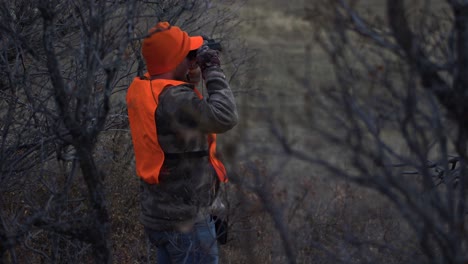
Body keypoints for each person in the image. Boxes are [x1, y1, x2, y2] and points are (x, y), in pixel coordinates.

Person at [126, 21, 238, 264]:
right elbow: (225, 116)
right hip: (185, 224)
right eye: (188, 55)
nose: (193, 60)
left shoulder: (145, 88)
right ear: (172, 62)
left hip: (161, 215)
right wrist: (212, 68)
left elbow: (181, 117)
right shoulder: (174, 99)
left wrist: (189, 73)